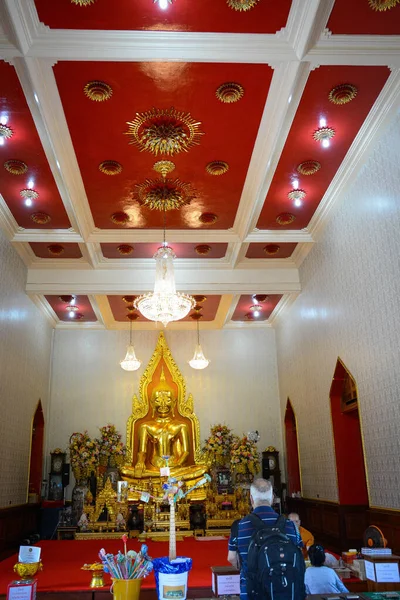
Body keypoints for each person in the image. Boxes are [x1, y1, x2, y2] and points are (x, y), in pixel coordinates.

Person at [227, 478, 302, 600]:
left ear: (251, 499)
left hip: (252, 592)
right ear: (272, 498)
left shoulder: (239, 527)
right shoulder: (291, 525)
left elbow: (231, 558)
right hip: (285, 591)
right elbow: (298, 556)